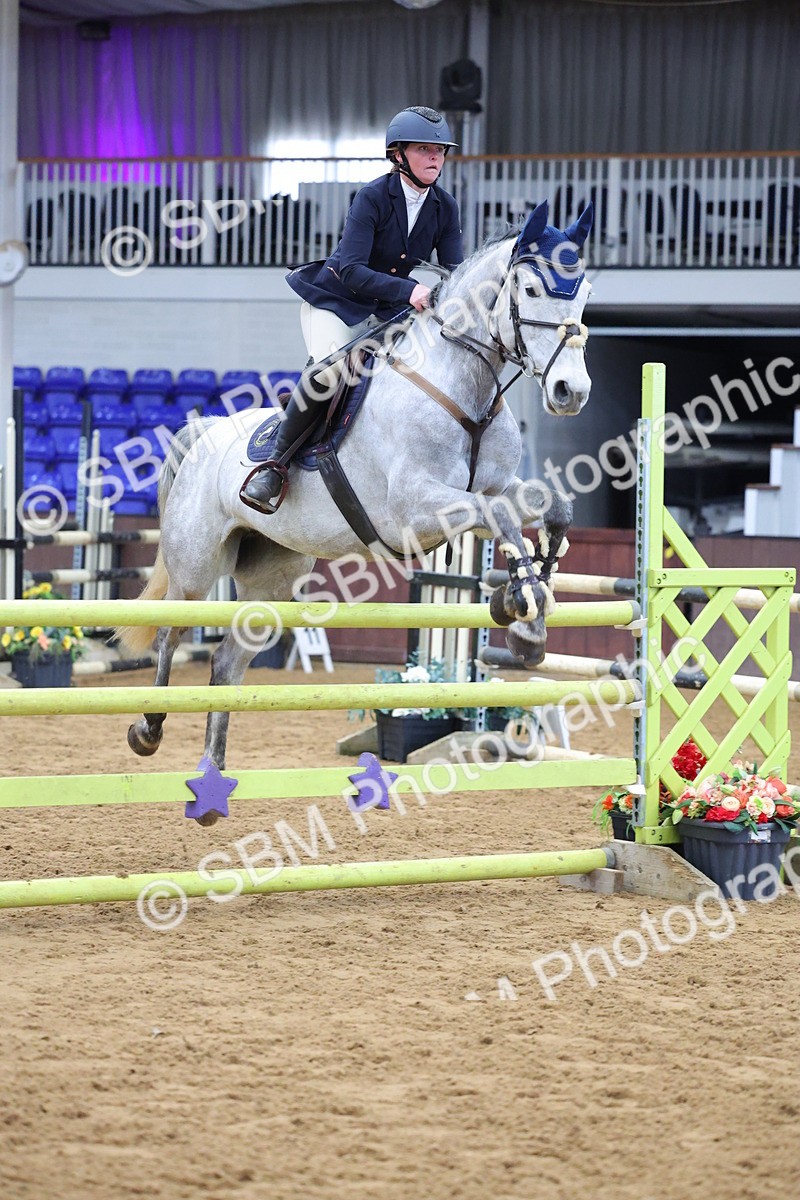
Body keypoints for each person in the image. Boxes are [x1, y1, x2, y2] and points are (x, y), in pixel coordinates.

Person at [240, 105, 464, 513]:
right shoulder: (372, 197)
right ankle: (274, 466)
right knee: (330, 370)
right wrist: (411, 289)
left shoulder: (445, 207)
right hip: (337, 301)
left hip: (389, 308)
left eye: (440, 150)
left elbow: (454, 273)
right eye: (424, 149)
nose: (435, 157)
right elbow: (352, 269)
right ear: (398, 154)